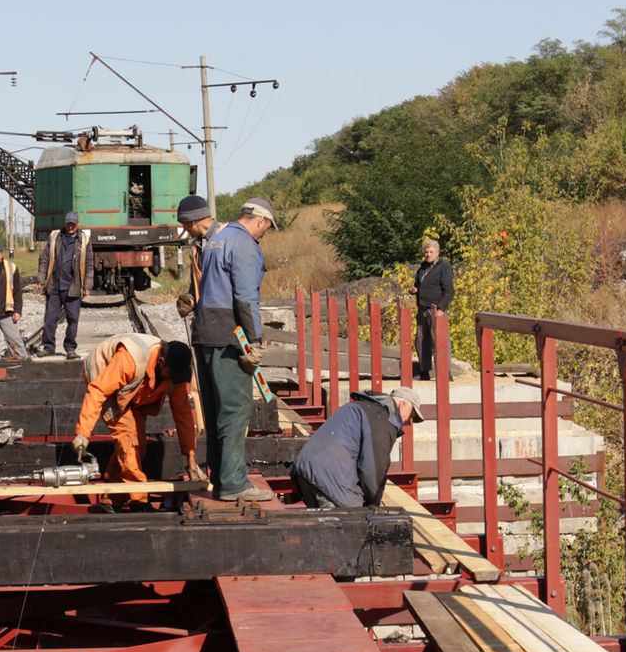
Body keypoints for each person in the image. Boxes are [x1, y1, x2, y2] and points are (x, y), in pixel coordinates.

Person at [188, 197, 277, 503]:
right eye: (266, 228)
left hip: (204, 332)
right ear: (261, 221)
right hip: (229, 334)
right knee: (236, 408)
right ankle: (233, 483)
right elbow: (245, 296)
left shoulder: (216, 239)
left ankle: (220, 475)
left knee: (215, 409)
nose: (264, 233)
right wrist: (254, 338)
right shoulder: (244, 244)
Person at [71, 335, 205, 510]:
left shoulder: (175, 375)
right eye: (172, 375)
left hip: (134, 391)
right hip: (103, 377)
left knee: (139, 443)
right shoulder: (130, 359)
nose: (174, 380)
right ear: (162, 362)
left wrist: (191, 457)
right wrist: (83, 432)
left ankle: (111, 499)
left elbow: (183, 414)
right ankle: (138, 500)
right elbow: (98, 390)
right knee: (128, 440)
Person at [291, 387, 425, 508]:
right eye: (411, 415)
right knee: (352, 525)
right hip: (329, 478)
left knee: (324, 531)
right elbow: (373, 468)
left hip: (305, 469)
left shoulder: (360, 407)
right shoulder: (382, 420)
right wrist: (374, 504)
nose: (409, 422)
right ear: (402, 405)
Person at [36, 211, 93, 360]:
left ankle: (70, 348)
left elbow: (89, 265)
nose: (70, 227)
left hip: (73, 286)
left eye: (73, 224)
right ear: (65, 223)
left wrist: (87, 285)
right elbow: (45, 259)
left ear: (77, 225)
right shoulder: (55, 237)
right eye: (68, 224)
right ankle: (48, 347)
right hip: (54, 285)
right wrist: (41, 280)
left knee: (73, 319)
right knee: (50, 318)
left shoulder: (84, 241)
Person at [411, 239, 455, 380]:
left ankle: (445, 373)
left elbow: (449, 291)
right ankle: (424, 372)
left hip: (436, 308)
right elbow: (419, 284)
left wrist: (441, 308)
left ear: (437, 252)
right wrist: (415, 289)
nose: (428, 254)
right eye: (426, 252)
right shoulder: (423, 267)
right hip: (422, 308)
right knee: (421, 341)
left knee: (440, 341)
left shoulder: (444, 267)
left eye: (431, 252)